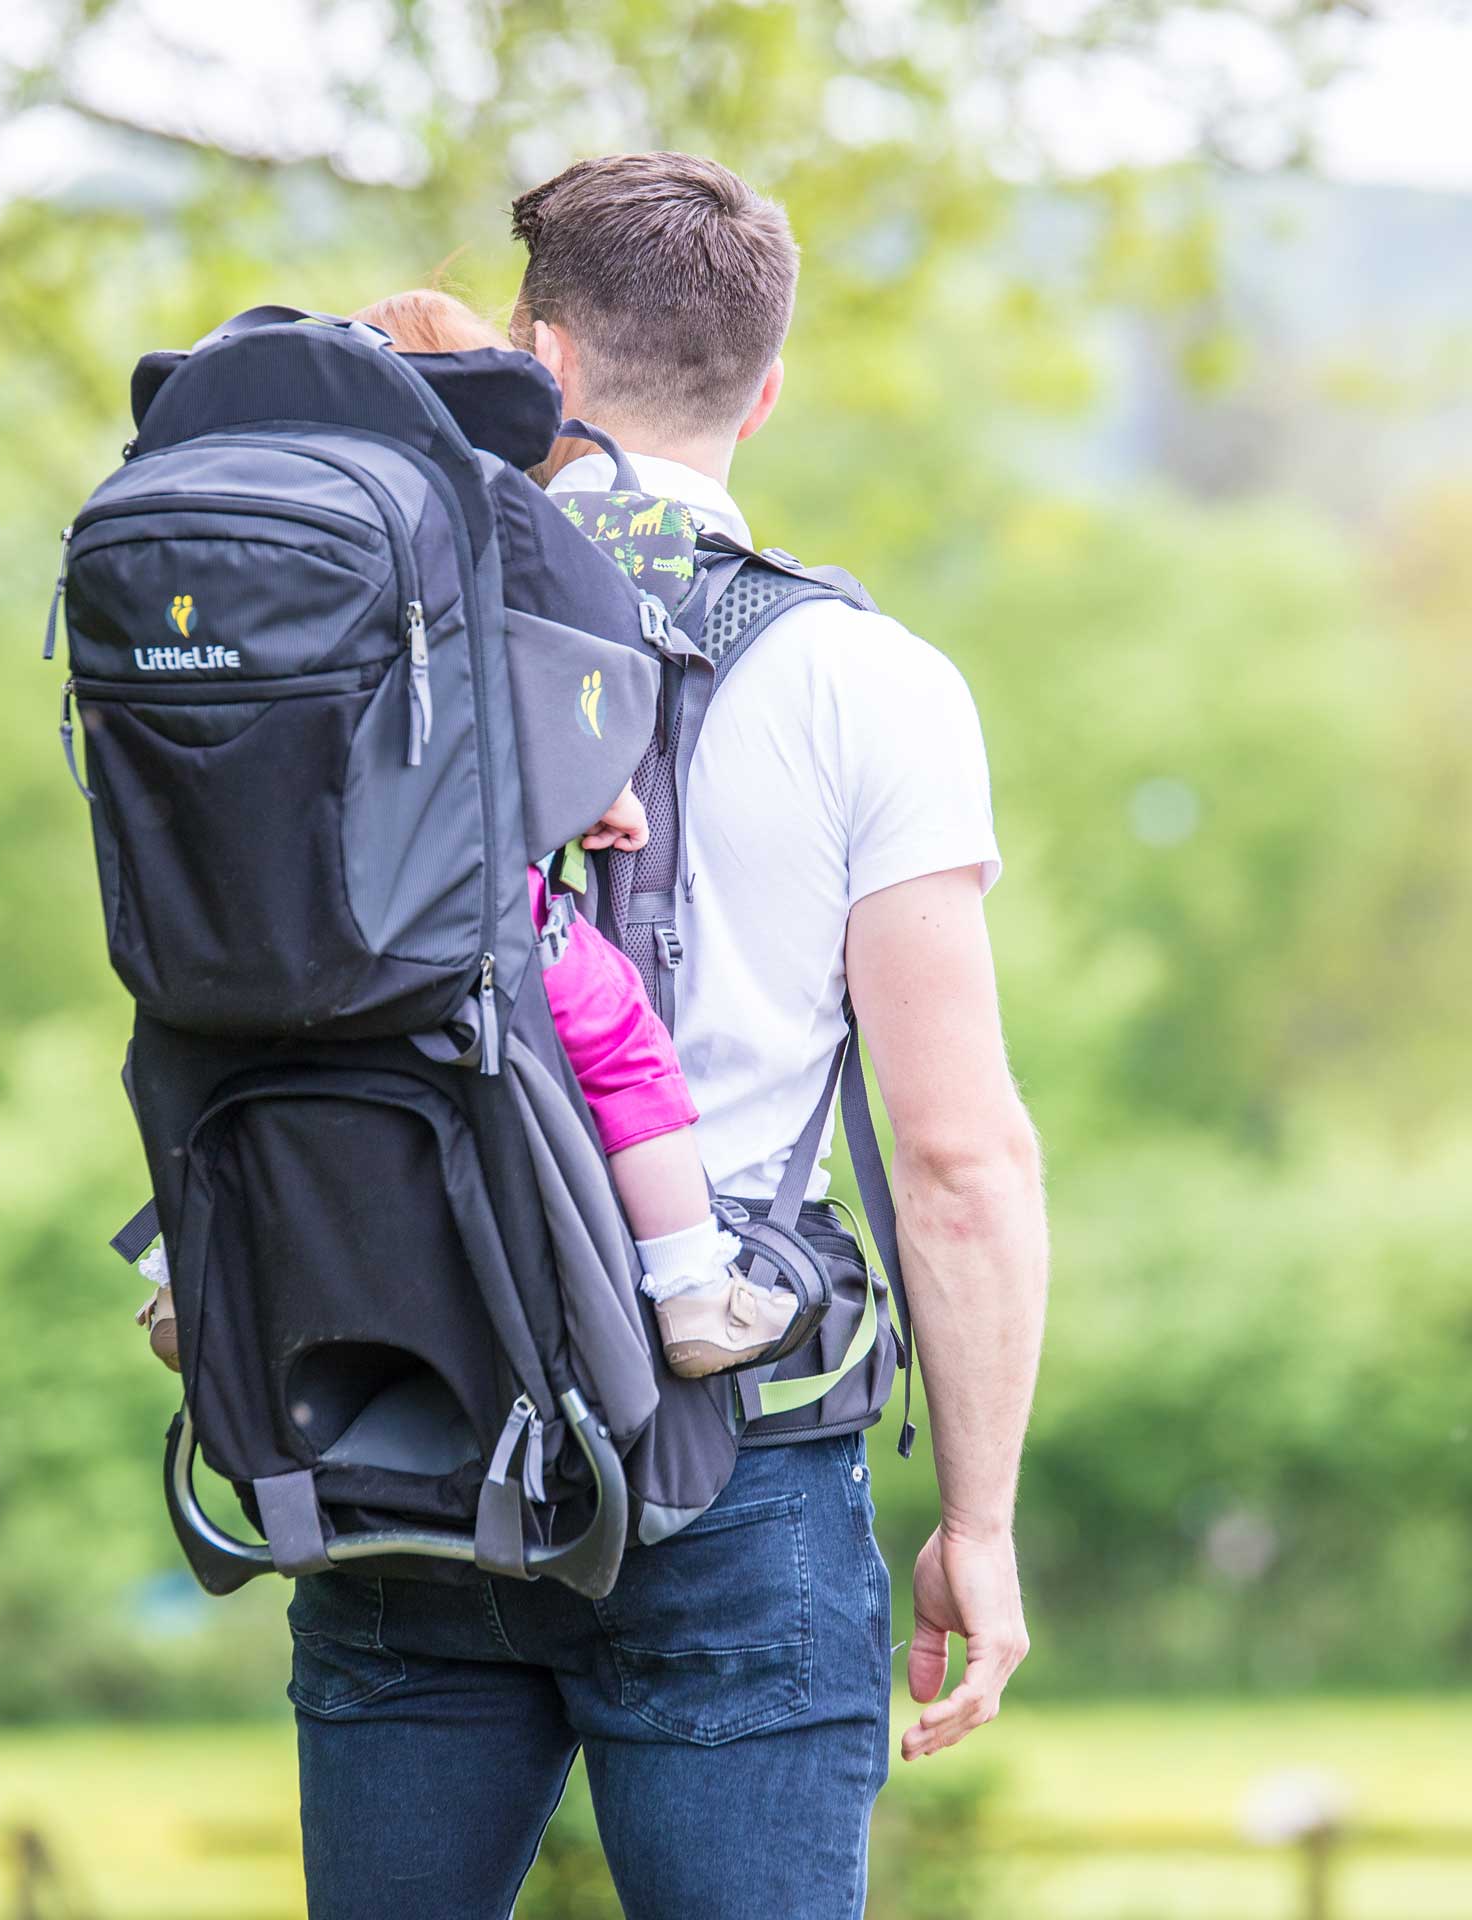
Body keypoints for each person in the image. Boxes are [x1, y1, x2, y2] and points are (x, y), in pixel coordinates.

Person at [287, 155, 1050, 1920]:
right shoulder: (871, 685)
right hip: (730, 1452)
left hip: (404, 1418)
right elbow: (956, 1157)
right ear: (766, 389)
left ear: (538, 357)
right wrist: (980, 1522)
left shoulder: (367, 628)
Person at [137, 286, 802, 1386]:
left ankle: (181, 1269)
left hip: (240, 917)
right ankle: (693, 1284)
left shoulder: (256, 560)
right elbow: (553, 710)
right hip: (448, 920)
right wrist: (604, 796)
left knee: (231, 1054)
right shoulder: (481, 517)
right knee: (618, 1038)